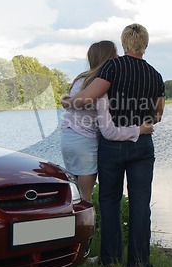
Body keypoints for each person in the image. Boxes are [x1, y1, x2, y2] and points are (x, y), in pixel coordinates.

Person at [62, 24, 165, 267]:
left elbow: (87, 99)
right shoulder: (156, 75)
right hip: (142, 144)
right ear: (145, 45)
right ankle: (140, 262)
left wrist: (68, 100)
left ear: (124, 43)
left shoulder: (112, 67)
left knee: (109, 201)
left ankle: (110, 259)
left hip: (112, 145)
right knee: (141, 202)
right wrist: (143, 122)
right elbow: (158, 114)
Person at [61, 40, 154, 202]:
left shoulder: (81, 80)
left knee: (72, 197)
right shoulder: (100, 86)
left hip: (68, 138)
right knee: (85, 200)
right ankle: (87, 226)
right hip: (85, 143)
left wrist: (66, 101)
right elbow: (109, 130)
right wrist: (139, 130)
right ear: (108, 58)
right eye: (115, 54)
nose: (118, 57)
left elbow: (71, 102)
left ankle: (67, 225)